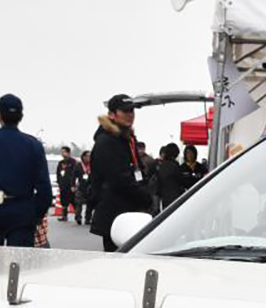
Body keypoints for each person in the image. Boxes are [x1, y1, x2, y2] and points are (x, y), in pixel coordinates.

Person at [0, 94, 52, 247]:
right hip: (23, 210)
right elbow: (44, 189)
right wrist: (34, 215)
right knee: (19, 265)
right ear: (21, 116)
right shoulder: (33, 145)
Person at [89, 94, 151, 251]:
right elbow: (119, 179)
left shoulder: (127, 138)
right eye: (125, 111)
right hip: (115, 213)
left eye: (132, 111)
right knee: (117, 261)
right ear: (111, 114)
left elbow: (135, 171)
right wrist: (145, 197)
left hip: (128, 211)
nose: (130, 115)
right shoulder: (107, 141)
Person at [154, 143, 187, 211]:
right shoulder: (174, 165)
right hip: (175, 195)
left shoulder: (162, 165)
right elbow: (181, 180)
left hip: (164, 197)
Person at [54, 145, 80, 221]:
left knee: (73, 201)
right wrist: (59, 182)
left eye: (64, 152)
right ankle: (64, 216)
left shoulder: (73, 162)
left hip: (71, 185)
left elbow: (76, 174)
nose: (62, 153)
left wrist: (74, 184)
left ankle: (77, 215)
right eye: (61, 152)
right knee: (63, 201)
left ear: (68, 153)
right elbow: (58, 173)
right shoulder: (61, 163)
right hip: (63, 185)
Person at [75, 150, 93, 227]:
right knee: (79, 203)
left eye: (89, 156)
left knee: (90, 204)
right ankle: (78, 217)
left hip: (91, 187)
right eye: (86, 156)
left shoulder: (93, 165)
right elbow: (73, 176)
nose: (88, 158)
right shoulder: (79, 165)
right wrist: (72, 185)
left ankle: (88, 219)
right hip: (81, 187)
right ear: (83, 157)